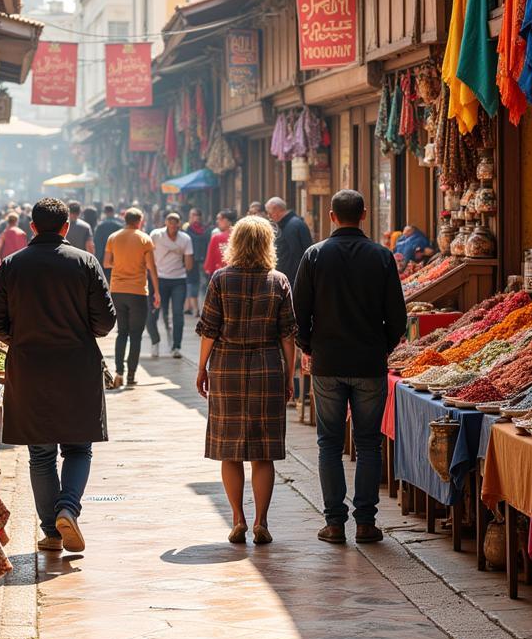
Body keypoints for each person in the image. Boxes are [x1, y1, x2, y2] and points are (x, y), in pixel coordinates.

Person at [0, 198, 116, 553]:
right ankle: (68, 508)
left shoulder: (12, 265)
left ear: (32, 227)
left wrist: (23, 337)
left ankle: (52, 533)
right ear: (66, 227)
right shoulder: (85, 262)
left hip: (30, 368)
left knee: (40, 454)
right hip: (77, 367)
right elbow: (105, 322)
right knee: (78, 447)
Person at [292, 189, 407, 544]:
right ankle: (366, 523)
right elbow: (398, 317)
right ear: (364, 215)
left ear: (331, 216)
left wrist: (310, 347)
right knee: (368, 443)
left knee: (329, 443)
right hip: (369, 363)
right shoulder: (382, 257)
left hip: (327, 364)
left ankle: (335, 523)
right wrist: (381, 346)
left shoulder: (314, 256)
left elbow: (300, 312)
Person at [196, 216, 296, 545]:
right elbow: (287, 336)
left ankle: (237, 519)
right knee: (263, 451)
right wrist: (288, 374)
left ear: (234, 243)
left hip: (226, 366)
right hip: (267, 366)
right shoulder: (278, 281)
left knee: (230, 449)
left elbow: (209, 330)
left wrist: (201, 368)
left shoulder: (220, 280)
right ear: (268, 244)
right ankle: (261, 521)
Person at [103, 207, 161, 388]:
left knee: (122, 333)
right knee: (136, 335)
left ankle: (118, 372)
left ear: (125, 219)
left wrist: (119, 263)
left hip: (117, 291)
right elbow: (151, 267)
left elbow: (106, 262)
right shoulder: (144, 239)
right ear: (139, 221)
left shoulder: (113, 237)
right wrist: (156, 292)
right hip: (137, 292)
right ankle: (131, 375)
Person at [150, 211, 194, 358]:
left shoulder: (185, 239)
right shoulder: (156, 235)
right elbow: (148, 254)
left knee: (177, 314)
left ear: (179, 224)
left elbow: (188, 265)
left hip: (178, 280)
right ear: (166, 223)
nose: (173, 225)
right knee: (154, 314)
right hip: (159, 279)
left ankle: (176, 346)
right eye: (170, 222)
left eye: (176, 223)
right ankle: (155, 342)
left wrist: (184, 256)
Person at [265, 197, 313, 289]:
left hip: (292, 279)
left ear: (276, 209)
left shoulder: (292, 226)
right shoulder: (290, 224)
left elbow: (296, 255)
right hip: (291, 278)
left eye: (270, 213)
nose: (269, 217)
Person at [184, 208, 211, 316]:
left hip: (205, 261)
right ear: (189, 217)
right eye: (193, 215)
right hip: (192, 261)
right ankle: (195, 308)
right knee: (192, 284)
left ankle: (204, 308)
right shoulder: (186, 231)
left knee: (205, 285)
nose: (196, 217)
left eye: (198, 215)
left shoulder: (206, 230)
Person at [204, 209, 235, 279]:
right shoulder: (242, 237)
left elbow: (210, 260)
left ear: (227, 221)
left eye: (219, 219)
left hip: (219, 275)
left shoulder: (217, 238)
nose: (217, 222)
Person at [93, 204, 122, 277]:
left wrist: (97, 257)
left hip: (102, 256)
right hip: (116, 256)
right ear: (113, 212)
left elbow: (96, 242)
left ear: (105, 212)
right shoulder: (119, 225)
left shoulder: (100, 226)